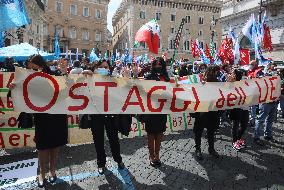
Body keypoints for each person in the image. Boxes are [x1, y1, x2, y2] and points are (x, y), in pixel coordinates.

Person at [10, 55, 68, 188]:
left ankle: (52, 170)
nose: (29, 68)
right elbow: (14, 93)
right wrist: (13, 87)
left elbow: (68, 88)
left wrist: (64, 73)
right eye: (28, 66)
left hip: (57, 115)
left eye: (31, 65)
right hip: (42, 116)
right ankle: (42, 173)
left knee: (55, 144)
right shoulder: (25, 76)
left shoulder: (54, 74)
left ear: (38, 64)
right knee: (42, 146)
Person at [84, 59, 126, 175]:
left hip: (110, 115)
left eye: (107, 67)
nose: (105, 69)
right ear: (96, 68)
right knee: (98, 140)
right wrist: (88, 73)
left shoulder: (113, 79)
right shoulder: (90, 78)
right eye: (102, 67)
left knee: (114, 139)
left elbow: (124, 90)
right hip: (96, 114)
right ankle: (101, 163)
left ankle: (118, 160)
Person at [139, 57, 169, 167]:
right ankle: (151, 156)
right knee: (151, 135)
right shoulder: (148, 77)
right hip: (151, 111)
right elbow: (143, 91)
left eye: (160, 64)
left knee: (160, 134)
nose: (158, 66)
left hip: (162, 110)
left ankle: (157, 155)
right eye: (156, 64)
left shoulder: (166, 78)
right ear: (153, 66)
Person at [192, 65, 221, 160]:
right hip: (202, 111)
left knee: (211, 131)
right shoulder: (201, 83)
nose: (215, 73)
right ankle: (198, 149)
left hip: (213, 111)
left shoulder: (219, 83)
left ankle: (211, 149)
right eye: (213, 71)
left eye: (216, 71)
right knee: (199, 131)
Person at [254, 62, 279, 145]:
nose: (275, 70)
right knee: (260, 120)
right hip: (265, 102)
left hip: (274, 102)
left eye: (275, 69)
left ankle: (268, 135)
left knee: (270, 120)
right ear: (268, 69)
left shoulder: (277, 77)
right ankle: (256, 137)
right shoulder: (263, 77)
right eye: (273, 68)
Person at [230, 68, 249, 151]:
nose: (245, 77)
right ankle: (234, 141)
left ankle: (238, 138)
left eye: (245, 75)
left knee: (244, 124)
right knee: (235, 125)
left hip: (245, 106)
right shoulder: (231, 83)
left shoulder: (247, 83)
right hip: (235, 107)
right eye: (243, 75)